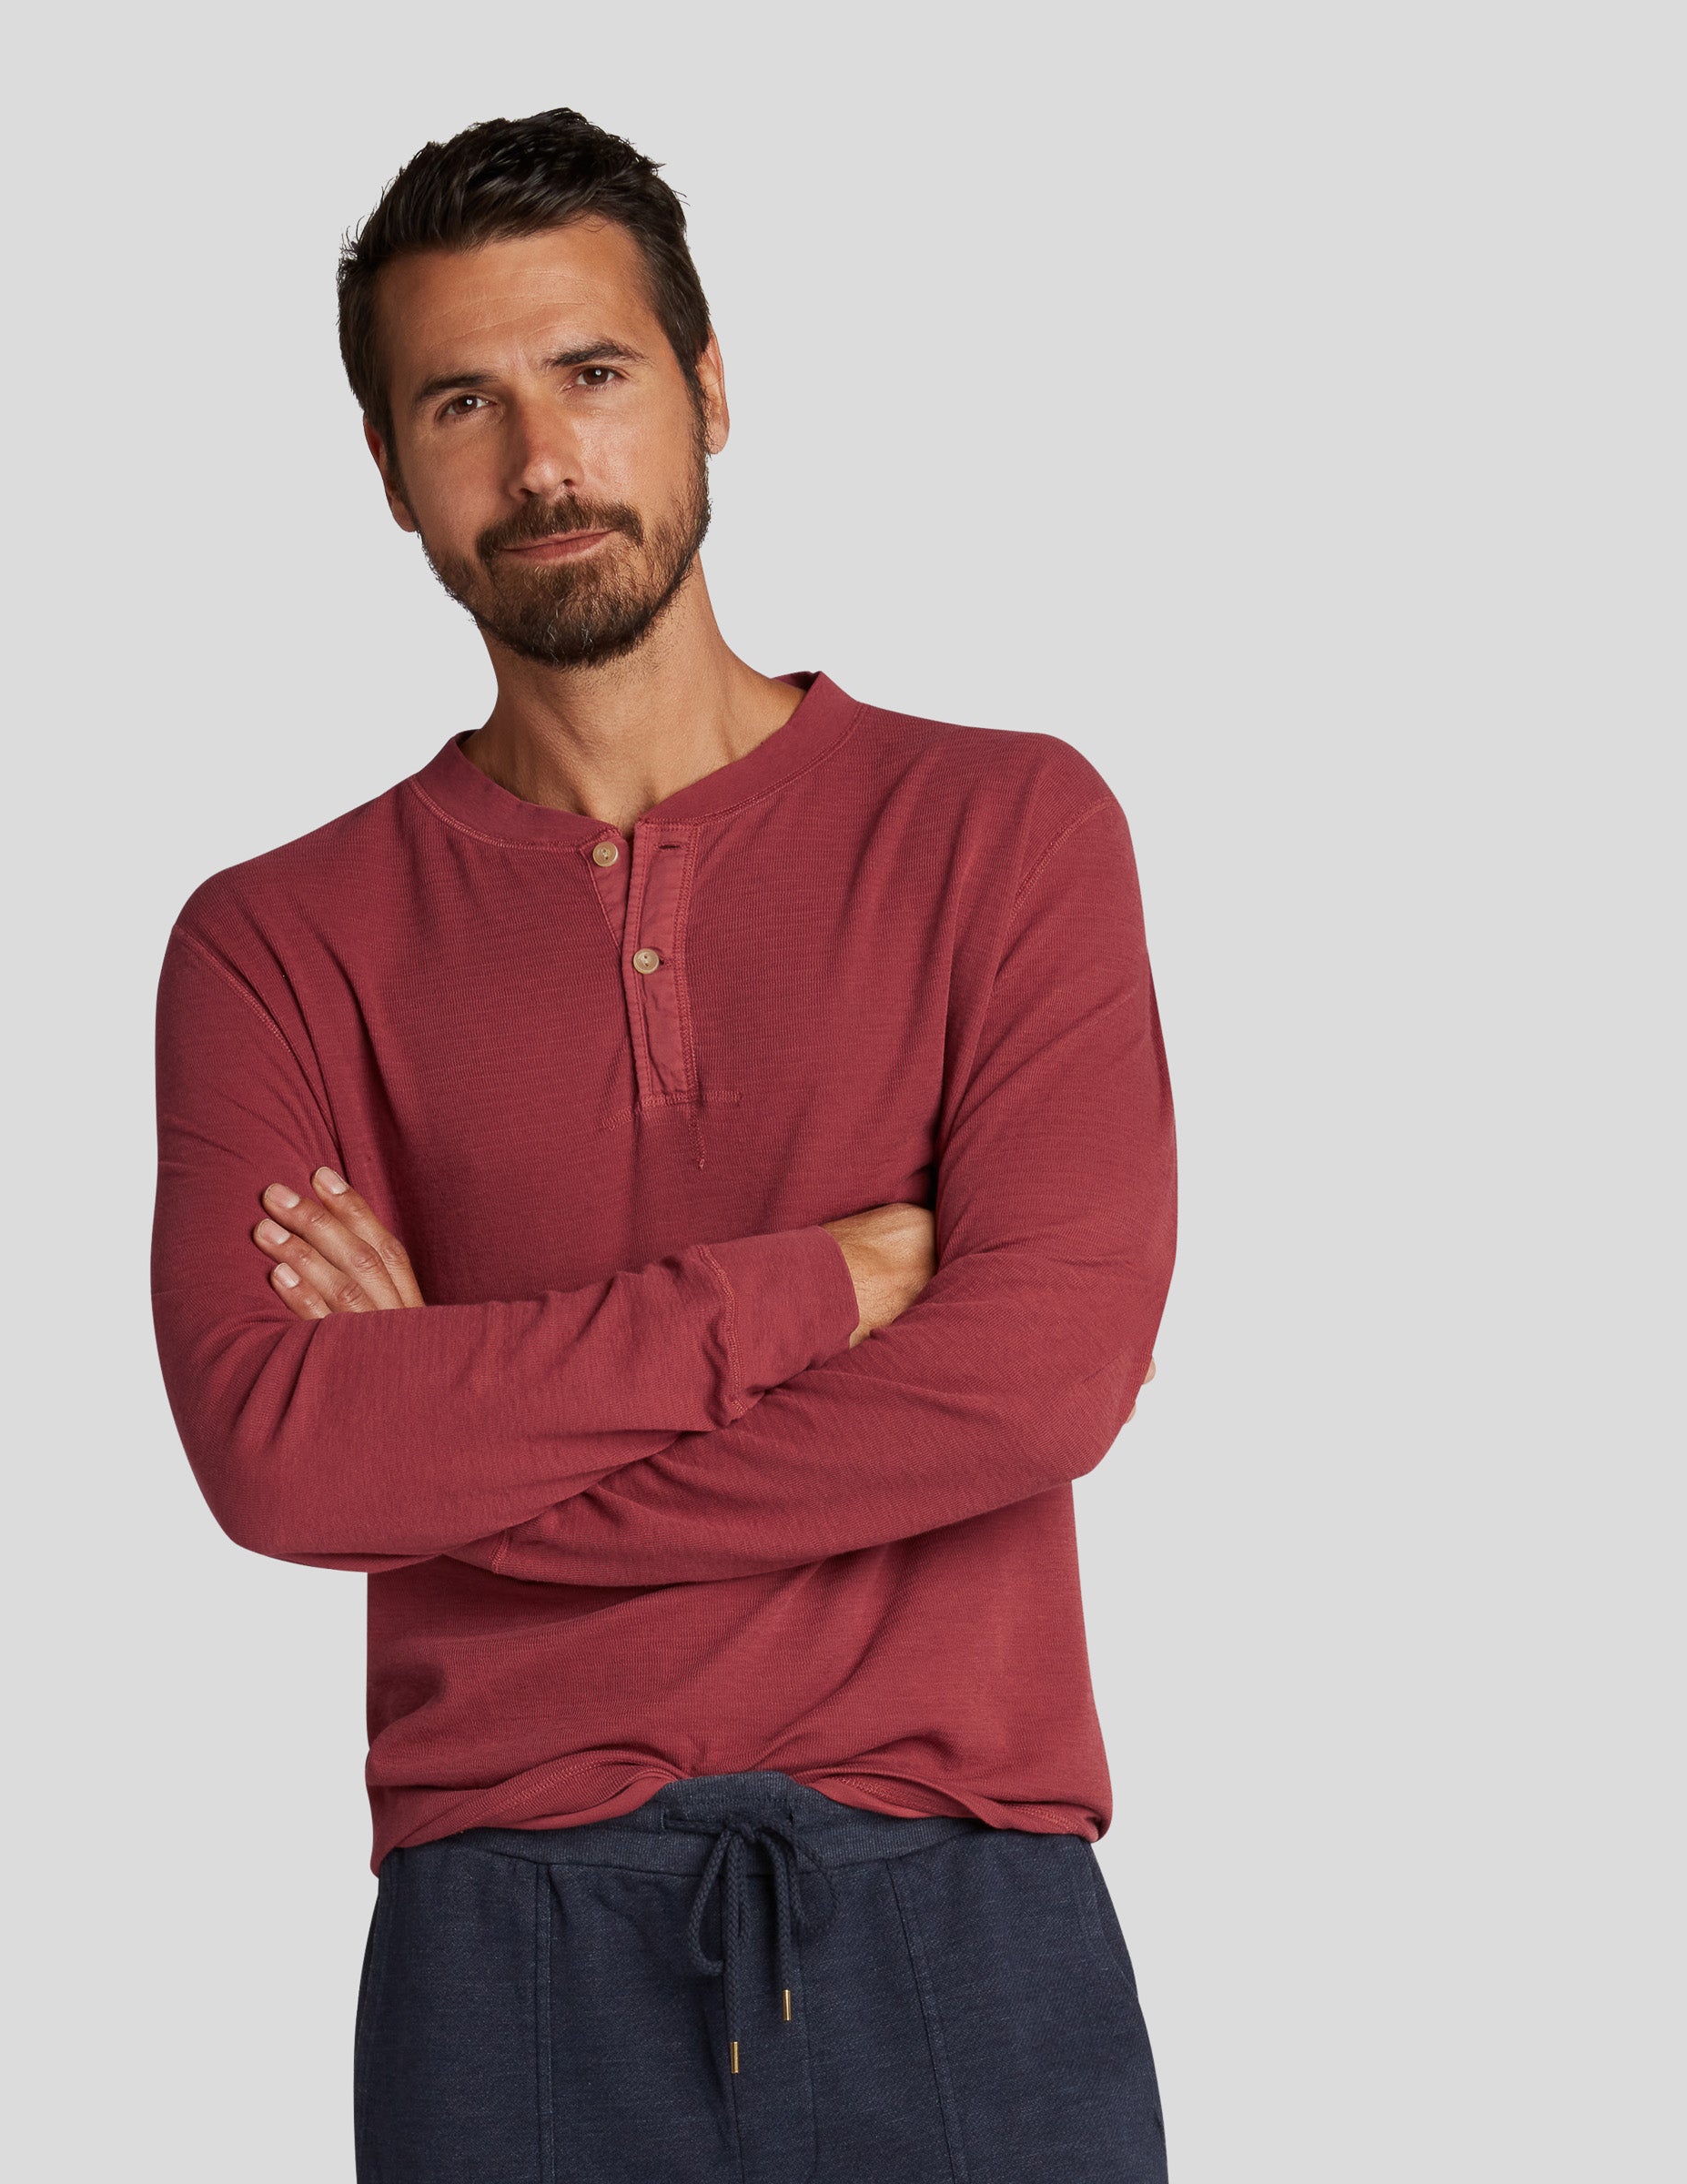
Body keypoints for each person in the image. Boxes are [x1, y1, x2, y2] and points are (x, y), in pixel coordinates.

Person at [150, 107, 1177, 2182]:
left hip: (963, 1897)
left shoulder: (1005, 831)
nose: (544, 460)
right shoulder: (275, 942)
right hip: (502, 1932)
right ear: (389, 469)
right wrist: (816, 1289)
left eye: (593, 373)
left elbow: (1044, 1382)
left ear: (708, 389)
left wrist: (456, 1449)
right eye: (463, 402)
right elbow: (282, 1456)